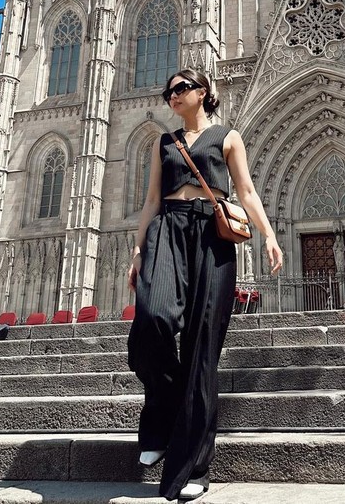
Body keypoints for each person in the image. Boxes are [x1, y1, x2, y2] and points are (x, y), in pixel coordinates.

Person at [127, 69, 283, 502]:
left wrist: (268, 234)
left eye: (180, 89)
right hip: (168, 231)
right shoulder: (165, 143)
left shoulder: (228, 137)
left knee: (201, 352)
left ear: (202, 92)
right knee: (153, 319)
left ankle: (195, 465)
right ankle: (162, 411)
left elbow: (246, 191)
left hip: (212, 237)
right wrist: (139, 252)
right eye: (168, 91)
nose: (171, 95)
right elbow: (152, 200)